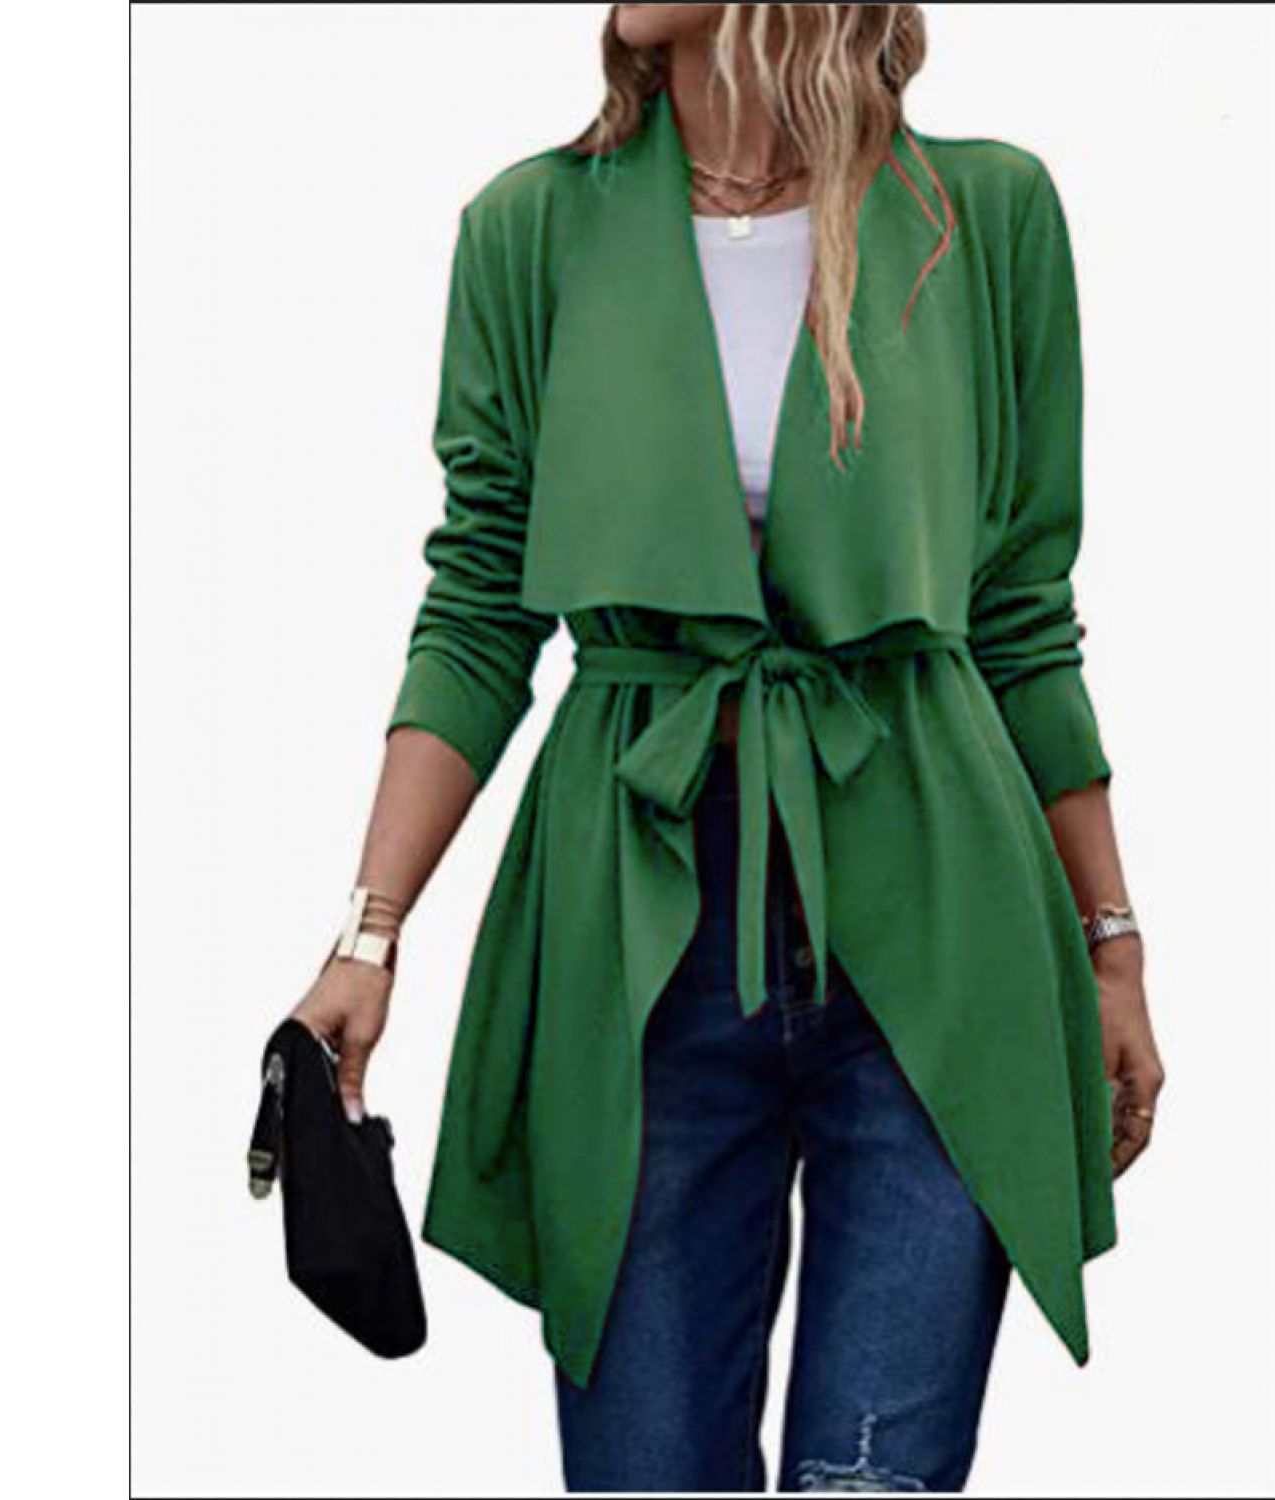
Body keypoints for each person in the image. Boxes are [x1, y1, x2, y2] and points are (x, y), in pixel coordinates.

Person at [293, 4, 1165, 1491]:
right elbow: (482, 605)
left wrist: (1113, 943)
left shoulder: (983, 214)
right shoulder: (533, 230)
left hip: (939, 917)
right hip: (640, 922)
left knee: (875, 1479)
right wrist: (369, 936)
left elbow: (1023, 613)